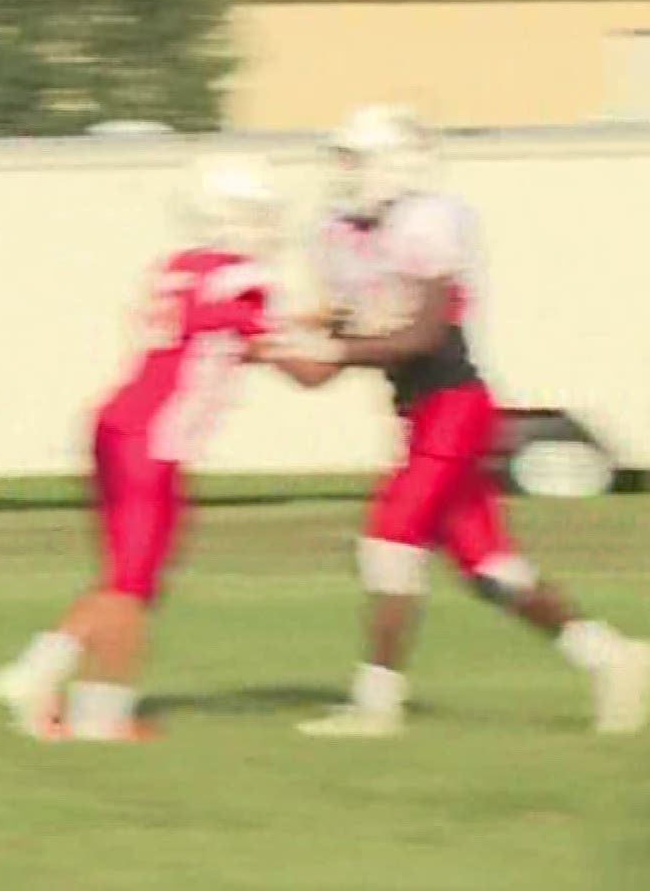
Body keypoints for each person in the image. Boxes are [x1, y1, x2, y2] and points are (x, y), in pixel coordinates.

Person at [263, 104, 650, 737]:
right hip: (424, 412)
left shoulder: (427, 223)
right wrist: (269, 346)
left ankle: (376, 706)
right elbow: (336, 347)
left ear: (390, 164)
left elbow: (419, 335)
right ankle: (611, 656)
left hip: (454, 406)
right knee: (492, 570)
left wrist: (331, 348)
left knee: (388, 547)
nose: (342, 173)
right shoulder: (344, 233)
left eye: (353, 159)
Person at [0, 156, 286, 741]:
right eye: (259, 213)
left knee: (133, 578)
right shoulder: (239, 279)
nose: (268, 226)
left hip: (120, 424)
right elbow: (282, 350)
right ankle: (56, 683)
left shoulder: (179, 266)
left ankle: (87, 700)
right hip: (154, 439)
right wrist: (351, 333)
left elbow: (218, 338)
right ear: (233, 215)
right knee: (130, 582)